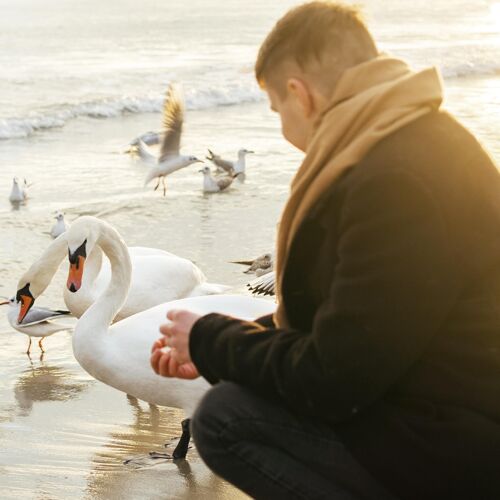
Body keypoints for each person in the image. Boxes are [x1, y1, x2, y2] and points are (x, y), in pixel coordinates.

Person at [150, 2, 500, 498]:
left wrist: (209, 338)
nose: (283, 129)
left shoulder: (392, 179)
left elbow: (334, 378)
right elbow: (366, 320)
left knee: (226, 417)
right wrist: (220, 348)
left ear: (300, 94)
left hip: (458, 446)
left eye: (277, 111)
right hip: (453, 408)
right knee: (241, 389)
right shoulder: (423, 138)